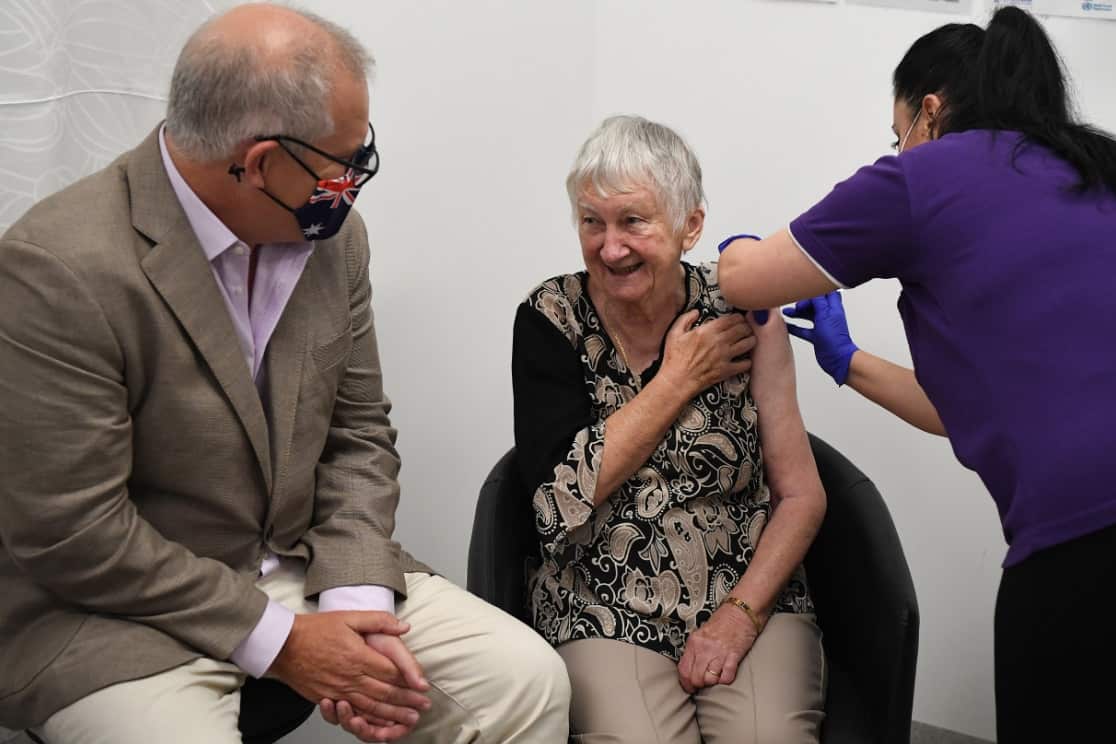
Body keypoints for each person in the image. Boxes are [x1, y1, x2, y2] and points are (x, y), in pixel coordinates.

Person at [0, 5, 570, 743]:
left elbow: (359, 435)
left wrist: (352, 603)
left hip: (304, 564)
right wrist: (284, 642)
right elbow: (74, 534)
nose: (356, 180)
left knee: (523, 684)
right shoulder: (58, 268)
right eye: (345, 161)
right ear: (262, 161)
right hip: (117, 613)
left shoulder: (334, 240)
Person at [717, 8, 1116, 742]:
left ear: (928, 112)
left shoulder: (923, 175)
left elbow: (744, 279)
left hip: (1082, 552)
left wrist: (735, 254)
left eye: (895, 129)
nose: (897, 145)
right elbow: (965, 407)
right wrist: (847, 362)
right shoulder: (1092, 167)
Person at [512, 115, 827, 743]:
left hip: (748, 590)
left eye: (633, 221)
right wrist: (677, 380)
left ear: (691, 225)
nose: (609, 247)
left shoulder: (744, 308)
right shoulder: (552, 318)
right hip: (600, 602)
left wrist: (740, 615)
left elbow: (801, 494)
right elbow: (555, 503)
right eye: (590, 221)